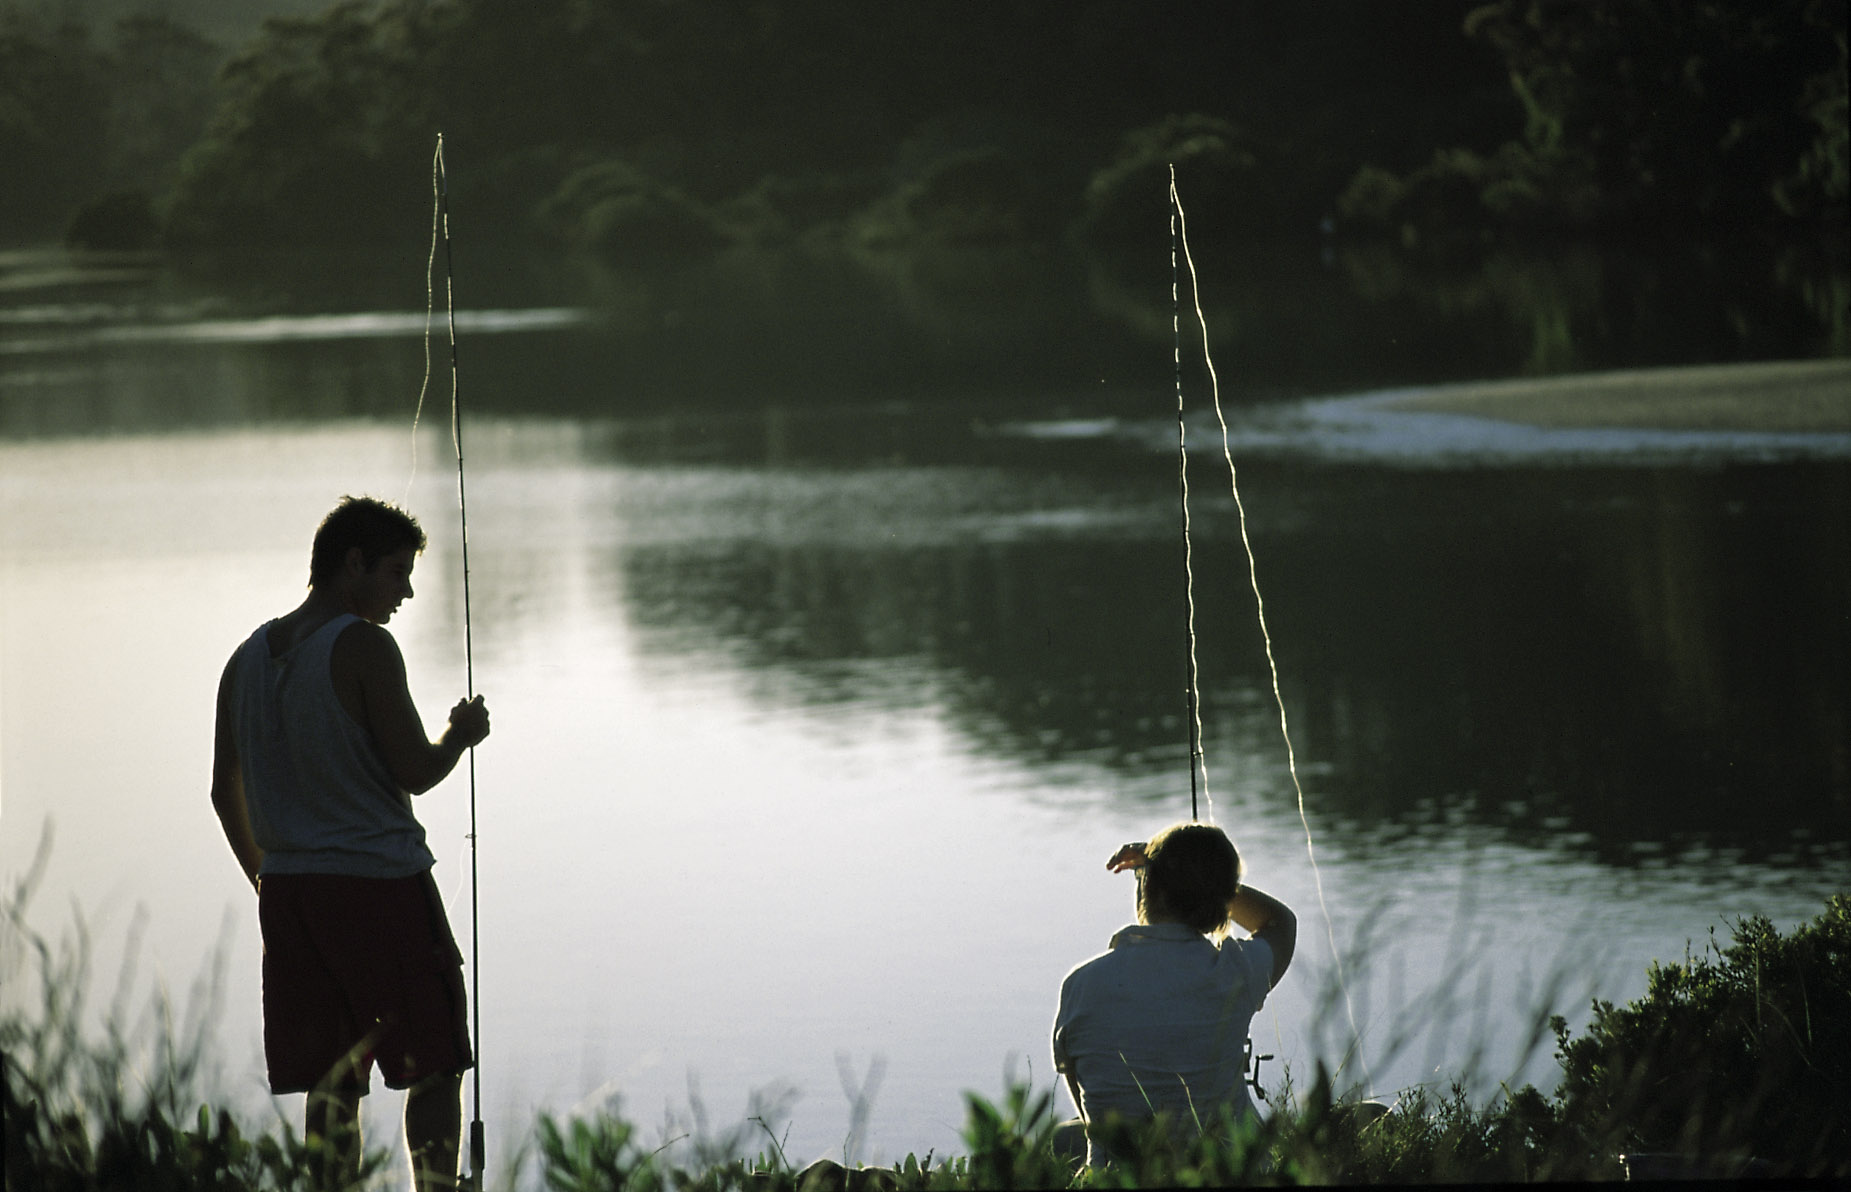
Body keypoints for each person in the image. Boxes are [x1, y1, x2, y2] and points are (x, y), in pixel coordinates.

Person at [209, 496, 490, 1192]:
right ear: (353, 563)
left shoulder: (245, 657)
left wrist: (267, 880)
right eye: (397, 572)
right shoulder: (362, 644)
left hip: (293, 898)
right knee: (434, 1064)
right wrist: (461, 735)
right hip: (380, 888)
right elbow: (415, 774)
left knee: (332, 1082)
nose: (408, 590)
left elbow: (224, 791)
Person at [1051, 821, 1296, 1168]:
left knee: (1065, 1135)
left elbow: (1087, 1103)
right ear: (1223, 897)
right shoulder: (1236, 971)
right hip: (1231, 1173)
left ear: (1149, 885)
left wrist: (1160, 866)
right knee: (1371, 1113)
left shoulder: (1079, 984)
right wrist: (1212, 882)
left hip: (1124, 1178)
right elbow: (1280, 922)